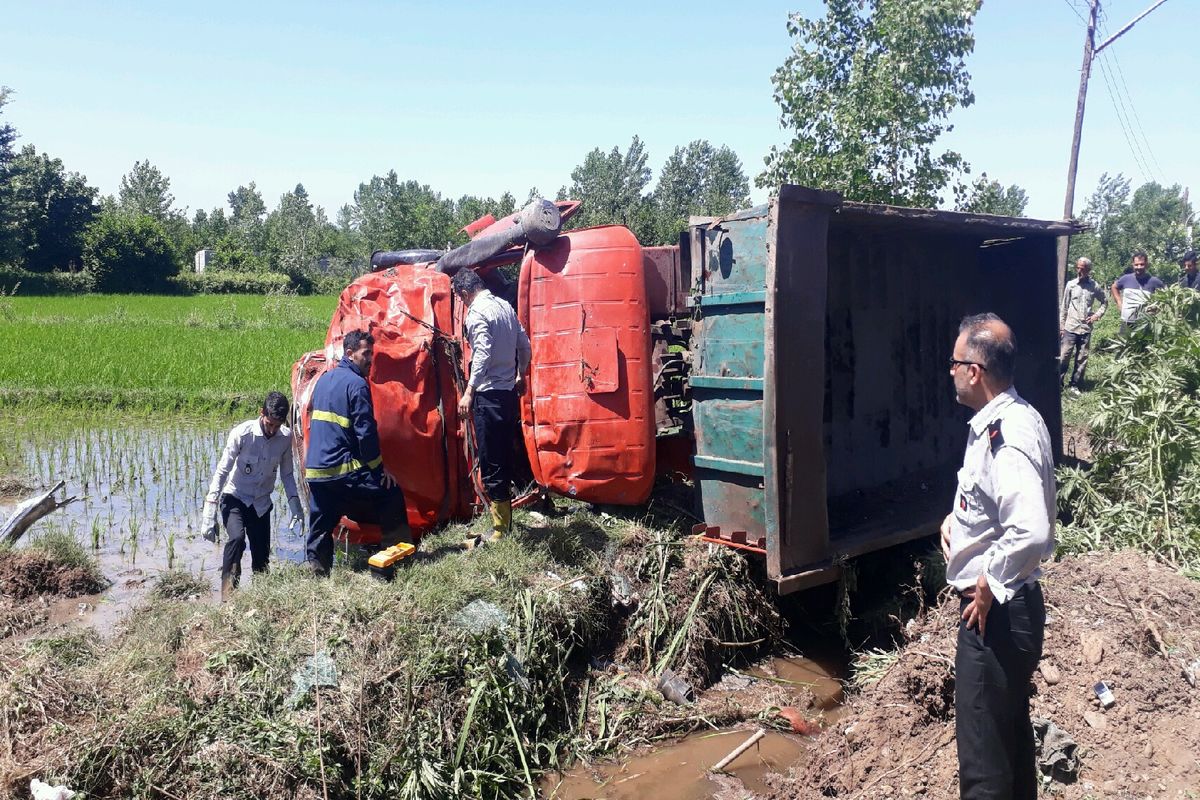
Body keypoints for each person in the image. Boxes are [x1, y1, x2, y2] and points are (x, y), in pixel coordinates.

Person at [940, 313, 1055, 800]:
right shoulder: (1011, 417)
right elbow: (994, 502)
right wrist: (957, 522)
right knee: (1008, 750)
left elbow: (1030, 529)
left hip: (996, 619)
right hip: (1012, 614)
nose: (949, 370)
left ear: (975, 371)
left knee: (984, 770)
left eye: (954, 361)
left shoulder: (1005, 434)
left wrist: (988, 582)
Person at [303, 329, 410, 576]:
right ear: (349, 353)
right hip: (343, 471)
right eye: (366, 354)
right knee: (390, 494)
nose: (370, 359)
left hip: (316, 474)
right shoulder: (357, 384)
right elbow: (366, 433)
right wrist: (379, 470)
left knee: (321, 523)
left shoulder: (323, 380)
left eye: (372, 353)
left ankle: (318, 573)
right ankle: (392, 562)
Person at [451, 268, 532, 544]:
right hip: (508, 394)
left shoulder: (477, 313)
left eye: (460, 298)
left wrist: (469, 392)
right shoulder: (504, 307)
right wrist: (521, 374)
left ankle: (500, 530)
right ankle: (504, 521)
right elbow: (525, 345)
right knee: (504, 456)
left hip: (489, 396)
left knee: (491, 460)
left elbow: (482, 352)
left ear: (464, 293)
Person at [203, 391, 303, 600]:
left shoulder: (285, 439)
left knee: (261, 558)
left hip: (261, 504)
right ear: (261, 413)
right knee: (237, 539)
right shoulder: (242, 434)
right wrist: (209, 510)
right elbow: (222, 470)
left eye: (277, 425)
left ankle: (260, 599)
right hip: (235, 498)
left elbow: (286, 474)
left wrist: (296, 507)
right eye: (269, 424)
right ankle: (228, 596)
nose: (272, 430)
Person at [1058, 256, 1107, 393]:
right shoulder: (1071, 285)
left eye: (1083, 269)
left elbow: (1104, 302)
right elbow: (1064, 307)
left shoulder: (1094, 286)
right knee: (1063, 356)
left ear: (1089, 270)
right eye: (1078, 268)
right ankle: (1058, 383)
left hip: (1085, 329)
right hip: (1070, 328)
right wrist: (1061, 326)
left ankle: (1075, 385)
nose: (1079, 271)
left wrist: (1097, 315)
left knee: (1081, 358)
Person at [1112, 250, 1165, 332]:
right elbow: (1114, 287)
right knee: (1124, 344)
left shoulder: (1154, 281)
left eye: (1142, 264)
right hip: (1126, 323)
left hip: (1145, 324)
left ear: (1146, 264)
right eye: (1136, 265)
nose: (1139, 267)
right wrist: (1119, 302)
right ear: (1133, 265)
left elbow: (1166, 296)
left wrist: (1157, 309)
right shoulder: (1126, 278)